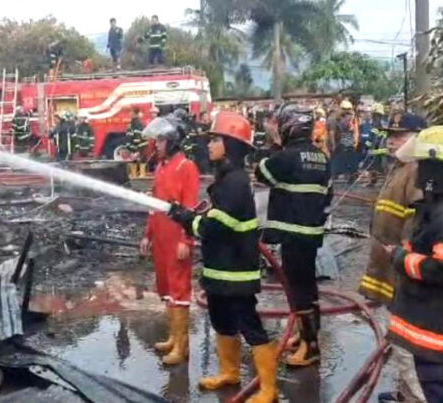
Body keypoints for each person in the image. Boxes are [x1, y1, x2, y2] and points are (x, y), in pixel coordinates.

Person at [169, 111, 277, 403]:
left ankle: (269, 390)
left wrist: (185, 219)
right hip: (220, 271)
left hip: (237, 274)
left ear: (231, 145)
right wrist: (188, 215)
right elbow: (214, 219)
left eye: (215, 139)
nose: (210, 144)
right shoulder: (227, 180)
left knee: (250, 327)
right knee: (222, 322)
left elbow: (213, 227)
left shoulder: (235, 183)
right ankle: (230, 373)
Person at [385, 126, 443, 403]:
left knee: (441, 391)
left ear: (435, 169)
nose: (417, 172)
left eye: (421, 165)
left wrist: (402, 259)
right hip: (431, 320)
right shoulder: (439, 208)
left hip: (437, 328)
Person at [255, 104, 332, 367]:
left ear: (289, 128)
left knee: (299, 291)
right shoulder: (322, 157)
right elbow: (328, 193)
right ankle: (305, 336)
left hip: (292, 233)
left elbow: (261, 173)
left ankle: (310, 348)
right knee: (308, 288)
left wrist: (274, 145)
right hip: (311, 233)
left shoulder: (287, 157)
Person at [139, 115, 200, 366]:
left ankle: (182, 346)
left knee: (179, 290)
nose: (157, 144)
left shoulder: (186, 167)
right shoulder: (161, 167)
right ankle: (174, 338)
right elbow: (154, 207)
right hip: (161, 238)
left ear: (173, 141)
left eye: (161, 140)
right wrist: (147, 235)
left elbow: (190, 207)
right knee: (166, 288)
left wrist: (186, 240)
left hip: (177, 237)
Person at [358, 113, 427, 306]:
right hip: (387, 251)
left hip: (400, 253)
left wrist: (404, 250)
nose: (391, 141)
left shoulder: (416, 170)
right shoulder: (398, 166)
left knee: (402, 304)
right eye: (390, 136)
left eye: (399, 137)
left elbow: (415, 217)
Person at [330, 100, 360, 179]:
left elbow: (356, 130)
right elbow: (333, 132)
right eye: (344, 108)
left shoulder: (353, 118)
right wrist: (333, 143)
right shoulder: (336, 118)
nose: (346, 110)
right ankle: (336, 173)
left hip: (348, 138)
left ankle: (351, 174)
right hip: (340, 139)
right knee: (339, 156)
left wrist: (355, 140)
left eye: (348, 109)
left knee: (349, 156)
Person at [127, 107, 147, 177]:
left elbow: (137, 137)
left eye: (131, 112)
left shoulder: (137, 123)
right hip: (137, 146)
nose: (130, 113)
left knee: (140, 159)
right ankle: (135, 175)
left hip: (139, 146)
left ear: (135, 113)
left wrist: (137, 150)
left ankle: (141, 176)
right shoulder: (133, 122)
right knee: (134, 160)